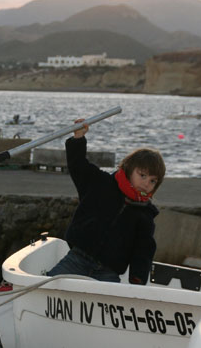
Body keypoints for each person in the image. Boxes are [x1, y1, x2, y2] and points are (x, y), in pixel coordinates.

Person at [47, 118, 166, 284]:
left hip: (108, 272)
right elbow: (78, 166)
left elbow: (143, 251)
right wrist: (78, 138)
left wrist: (137, 279)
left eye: (153, 181)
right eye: (143, 175)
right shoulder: (101, 184)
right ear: (129, 170)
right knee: (47, 286)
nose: (147, 183)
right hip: (77, 260)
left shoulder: (145, 215)